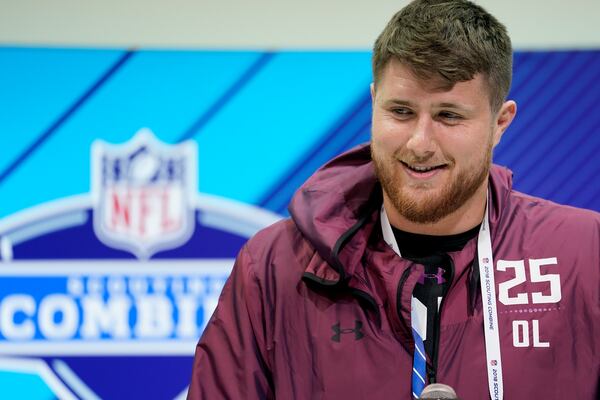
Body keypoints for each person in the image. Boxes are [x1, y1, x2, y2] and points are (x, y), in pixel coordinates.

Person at [187, 1, 600, 399]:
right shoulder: (276, 265)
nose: (420, 143)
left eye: (448, 116)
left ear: (499, 123)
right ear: (374, 104)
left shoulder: (584, 255)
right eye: (401, 112)